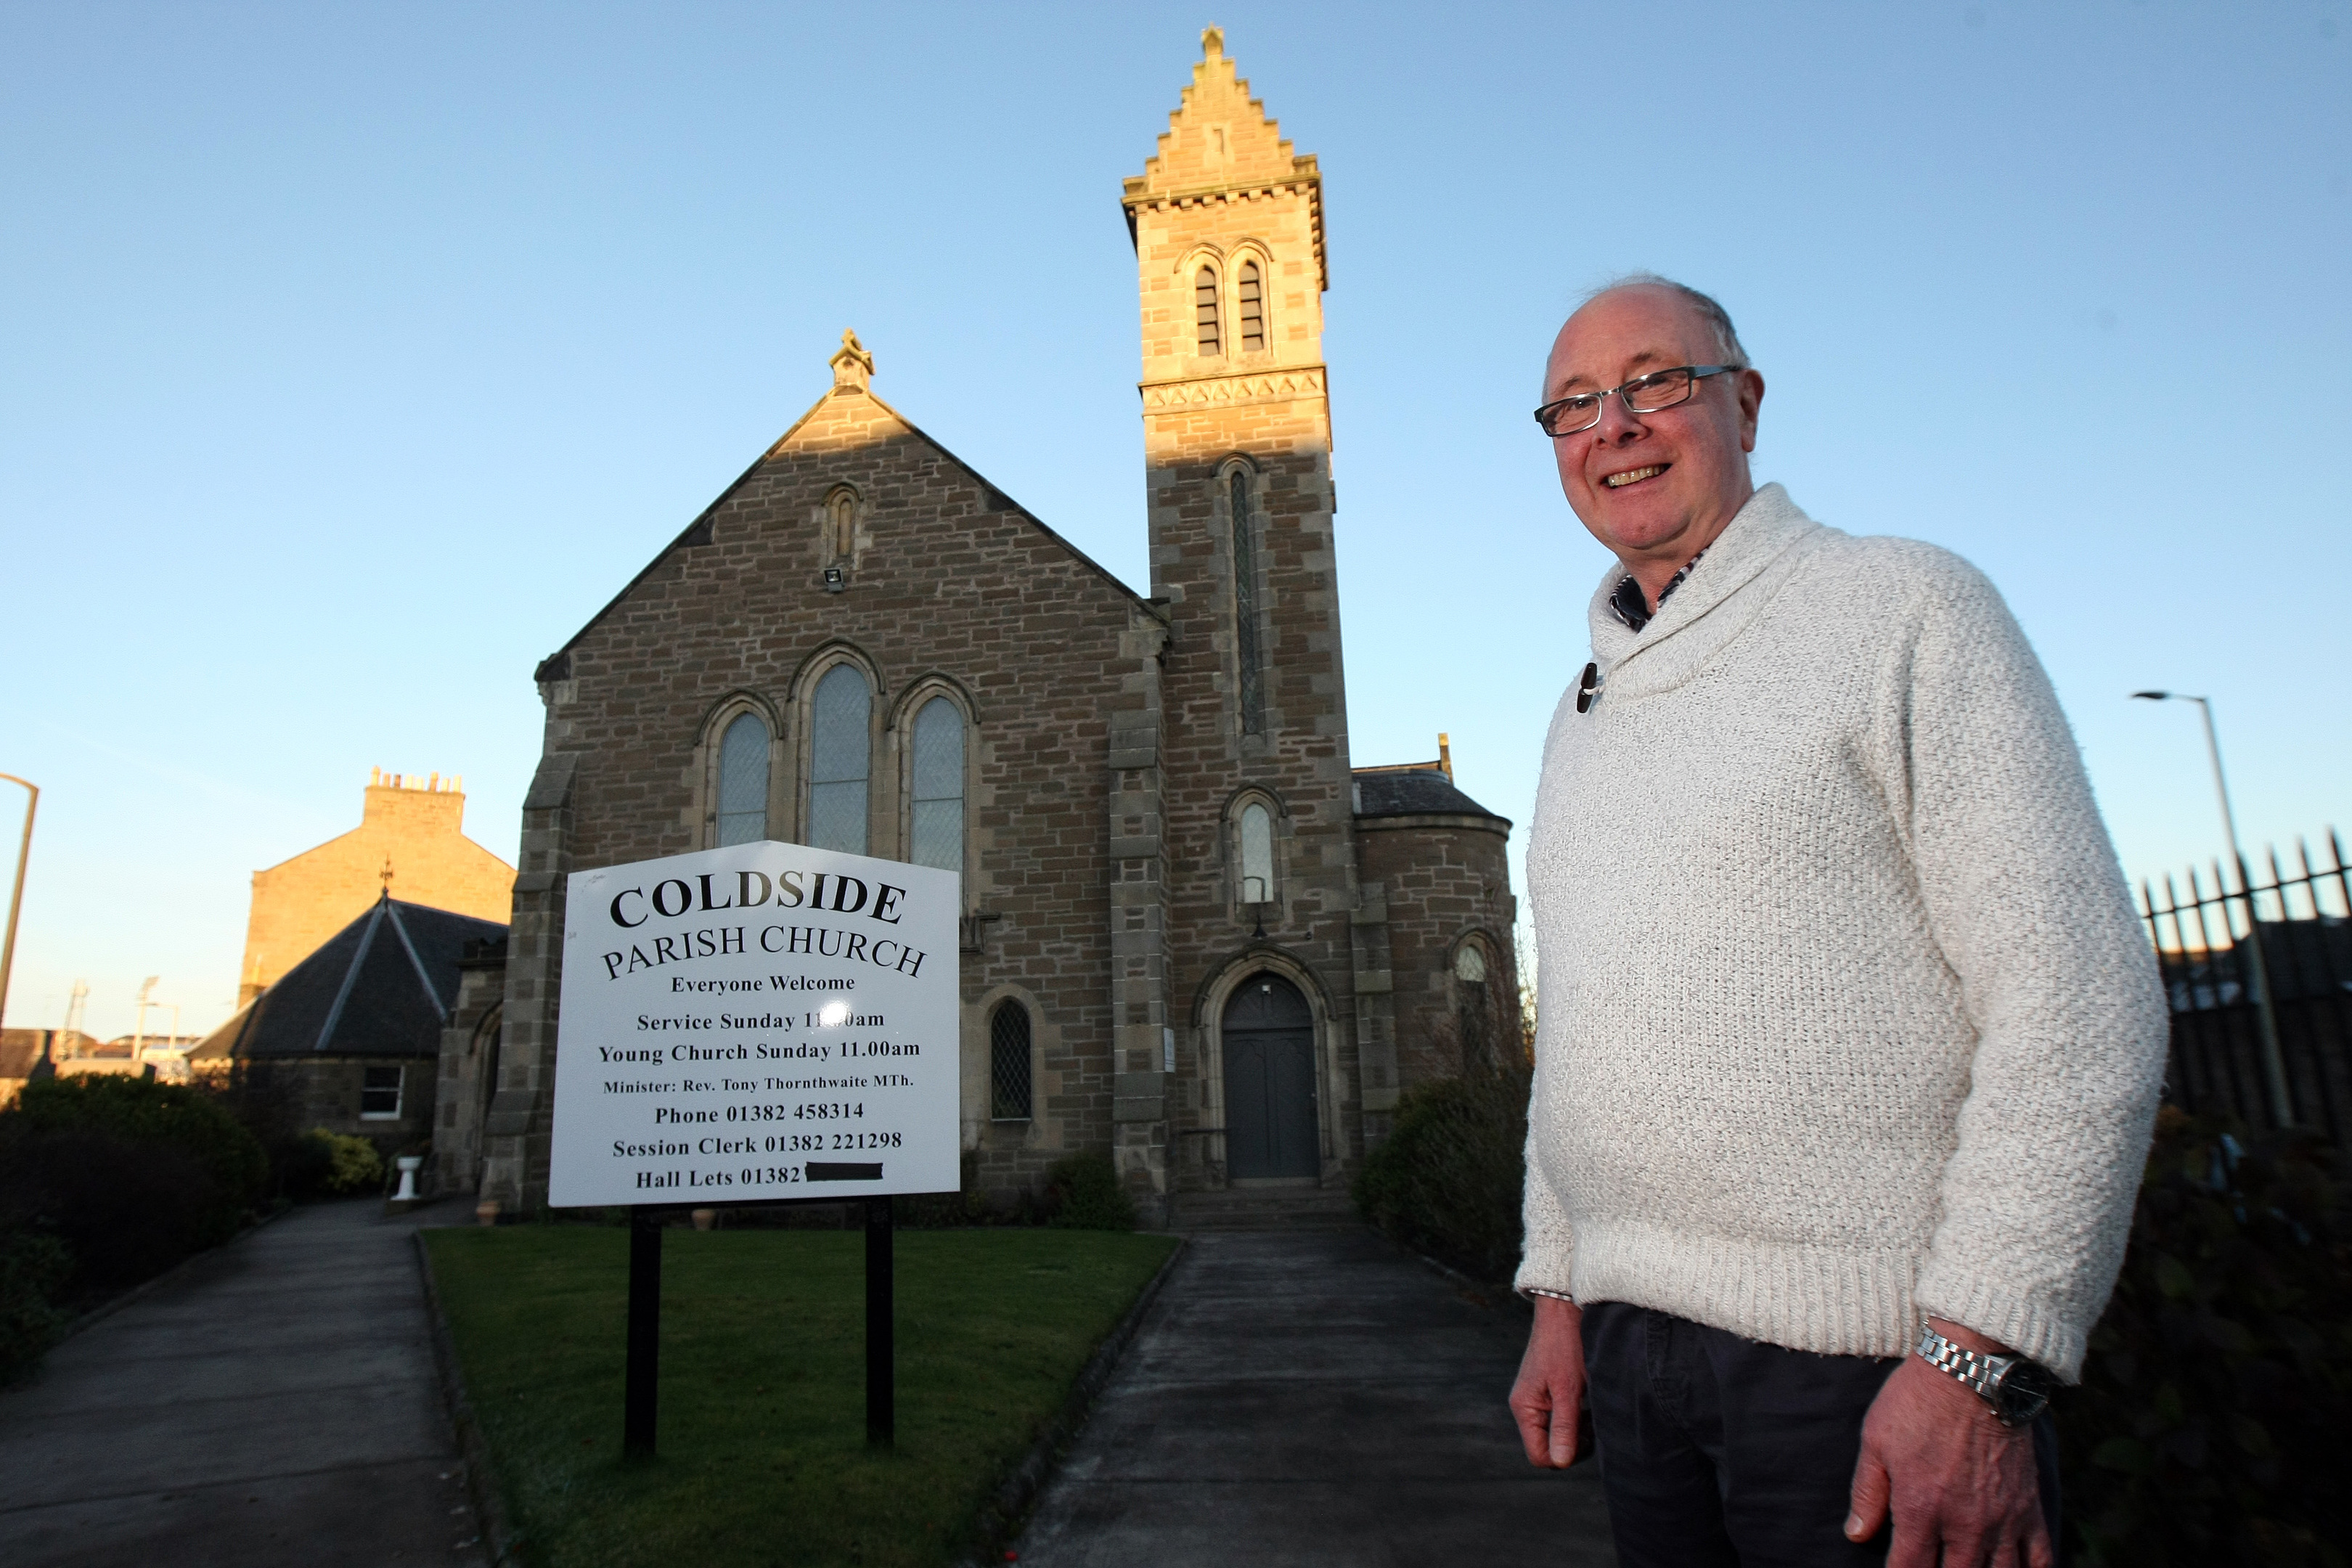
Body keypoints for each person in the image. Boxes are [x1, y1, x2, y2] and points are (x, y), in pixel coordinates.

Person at [1506, 275, 2168, 1567]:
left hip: (1864, 1374)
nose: (1616, 425)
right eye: (1576, 405)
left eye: (1657, 384)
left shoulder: (1905, 609)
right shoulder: (1575, 716)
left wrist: (1977, 1365)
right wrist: (1558, 1289)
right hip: (1638, 1369)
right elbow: (1581, 1034)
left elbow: (2078, 1005)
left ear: (1744, 403)